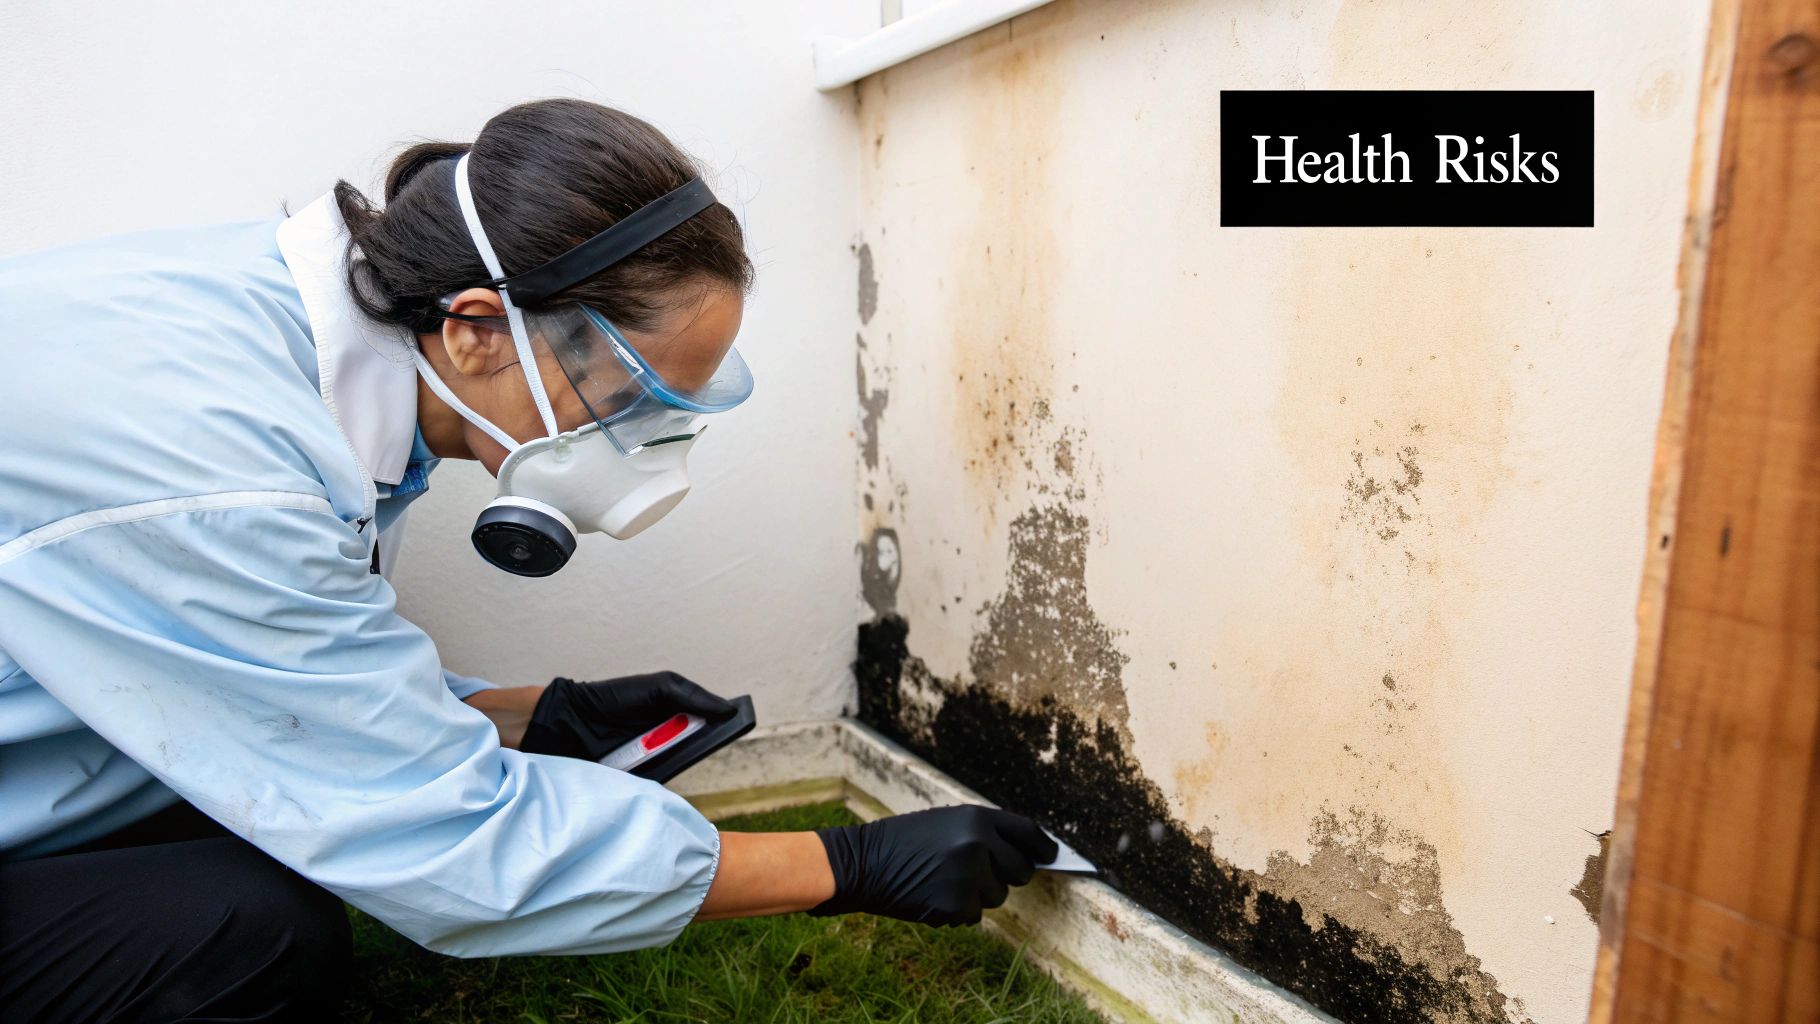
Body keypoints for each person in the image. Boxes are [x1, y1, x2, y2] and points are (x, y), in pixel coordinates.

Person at [0, 98, 1056, 1022]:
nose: (645, 441)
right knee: (251, 930)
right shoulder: (227, 474)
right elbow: (448, 846)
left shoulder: (283, 335)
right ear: (475, 331)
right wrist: (843, 863)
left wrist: (522, 717)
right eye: (629, 396)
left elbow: (246, 670)